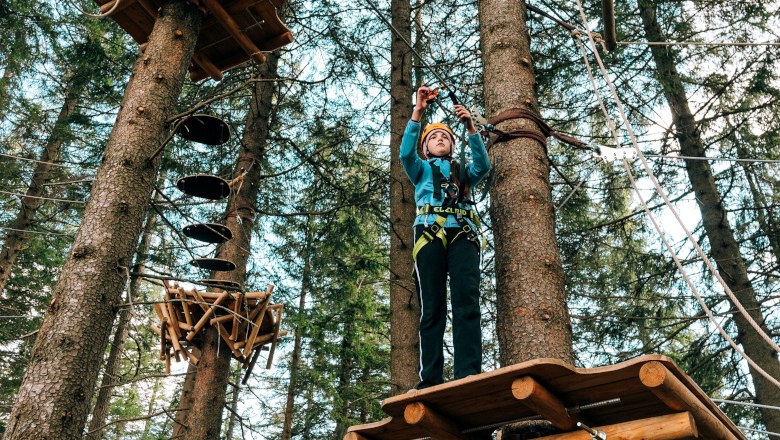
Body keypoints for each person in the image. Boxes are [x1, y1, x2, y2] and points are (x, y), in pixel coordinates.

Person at [400, 86, 490, 390]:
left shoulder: (464, 170)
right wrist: (418, 111)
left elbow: (484, 165)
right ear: (426, 148)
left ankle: (468, 372)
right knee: (433, 306)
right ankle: (431, 379)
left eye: (445, 137)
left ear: (452, 145)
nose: (440, 139)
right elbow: (404, 153)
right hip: (429, 233)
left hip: (463, 234)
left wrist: (469, 127)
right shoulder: (421, 168)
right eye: (433, 137)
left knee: (467, 301)